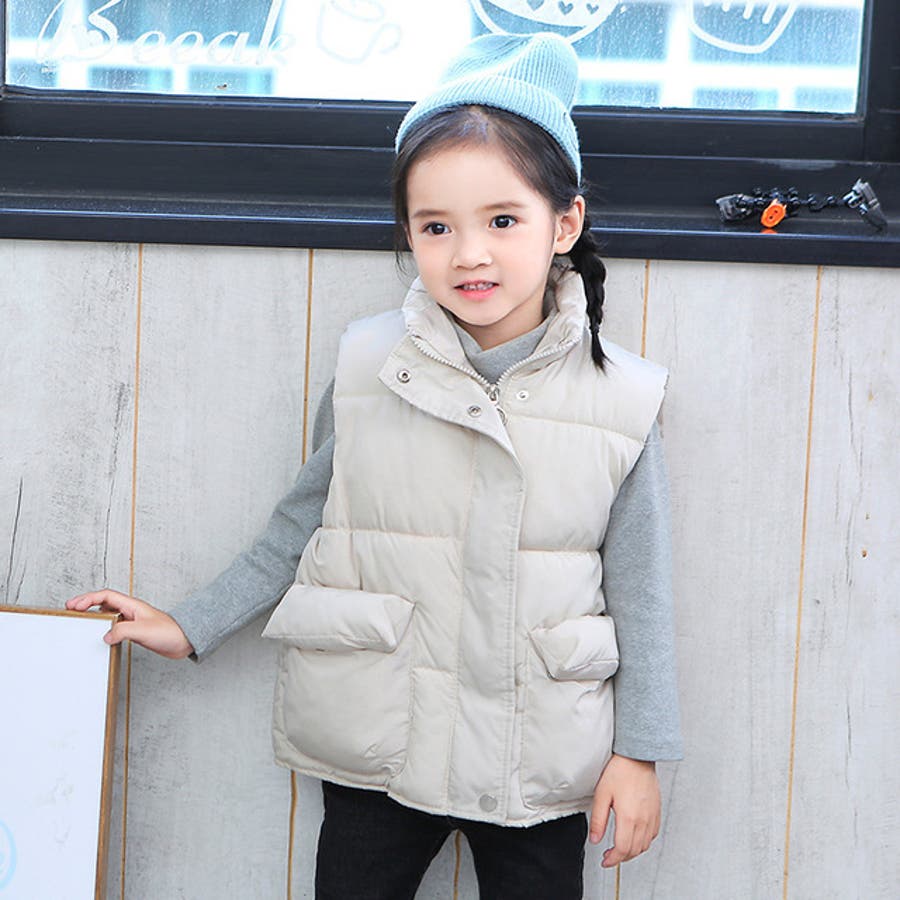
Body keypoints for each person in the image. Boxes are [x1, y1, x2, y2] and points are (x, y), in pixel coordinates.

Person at [68, 32, 682, 899]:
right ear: (409, 233)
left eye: (503, 220)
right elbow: (299, 529)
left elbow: (643, 593)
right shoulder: (368, 368)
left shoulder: (623, 400)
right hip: (382, 744)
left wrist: (640, 754)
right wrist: (190, 622)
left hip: (540, 754)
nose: (469, 253)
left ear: (565, 224)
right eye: (436, 227)